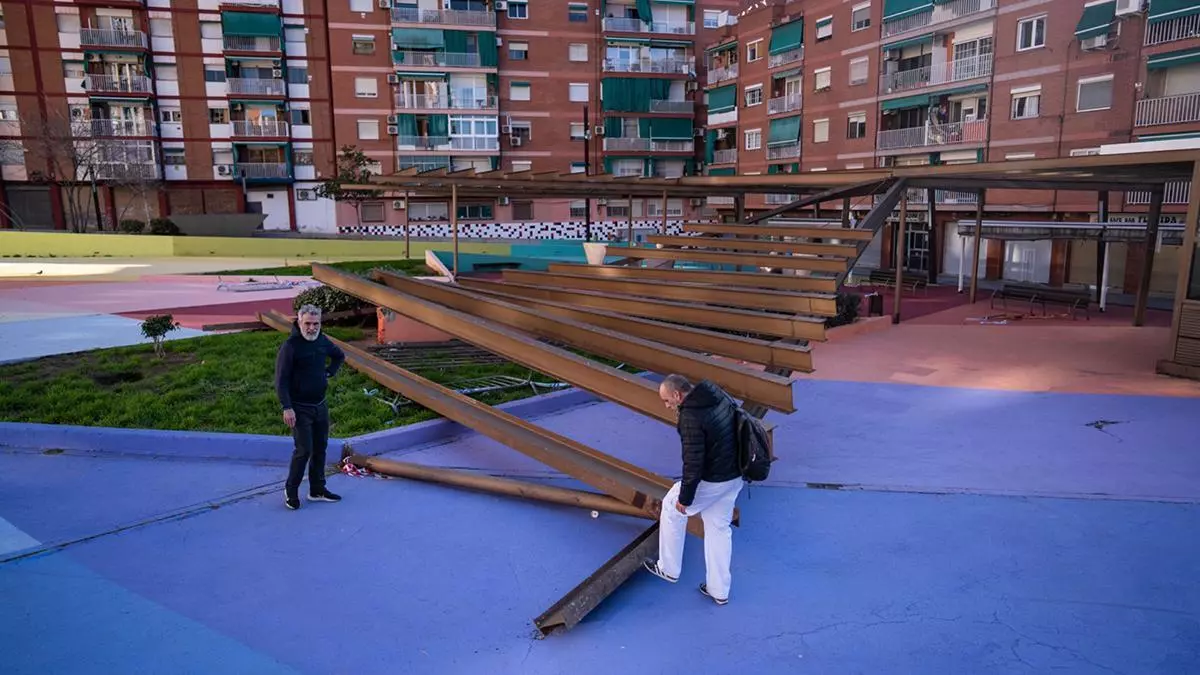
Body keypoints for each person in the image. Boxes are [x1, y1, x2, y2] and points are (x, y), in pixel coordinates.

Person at [643, 374, 744, 605]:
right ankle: (719, 590)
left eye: (667, 401)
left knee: (672, 505)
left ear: (678, 395)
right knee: (718, 529)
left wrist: (686, 498)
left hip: (714, 479)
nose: (668, 406)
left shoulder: (690, 416)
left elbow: (693, 461)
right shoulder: (716, 394)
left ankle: (668, 567)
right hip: (734, 475)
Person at [274, 304, 346, 511]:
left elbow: (339, 356)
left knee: (320, 448)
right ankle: (291, 490)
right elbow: (281, 380)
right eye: (308, 323)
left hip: (320, 405)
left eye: (316, 323)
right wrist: (287, 407)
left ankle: (317, 490)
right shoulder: (291, 346)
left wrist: (330, 372)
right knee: (304, 450)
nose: (312, 328)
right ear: (299, 321)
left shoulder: (322, 340)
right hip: (299, 408)